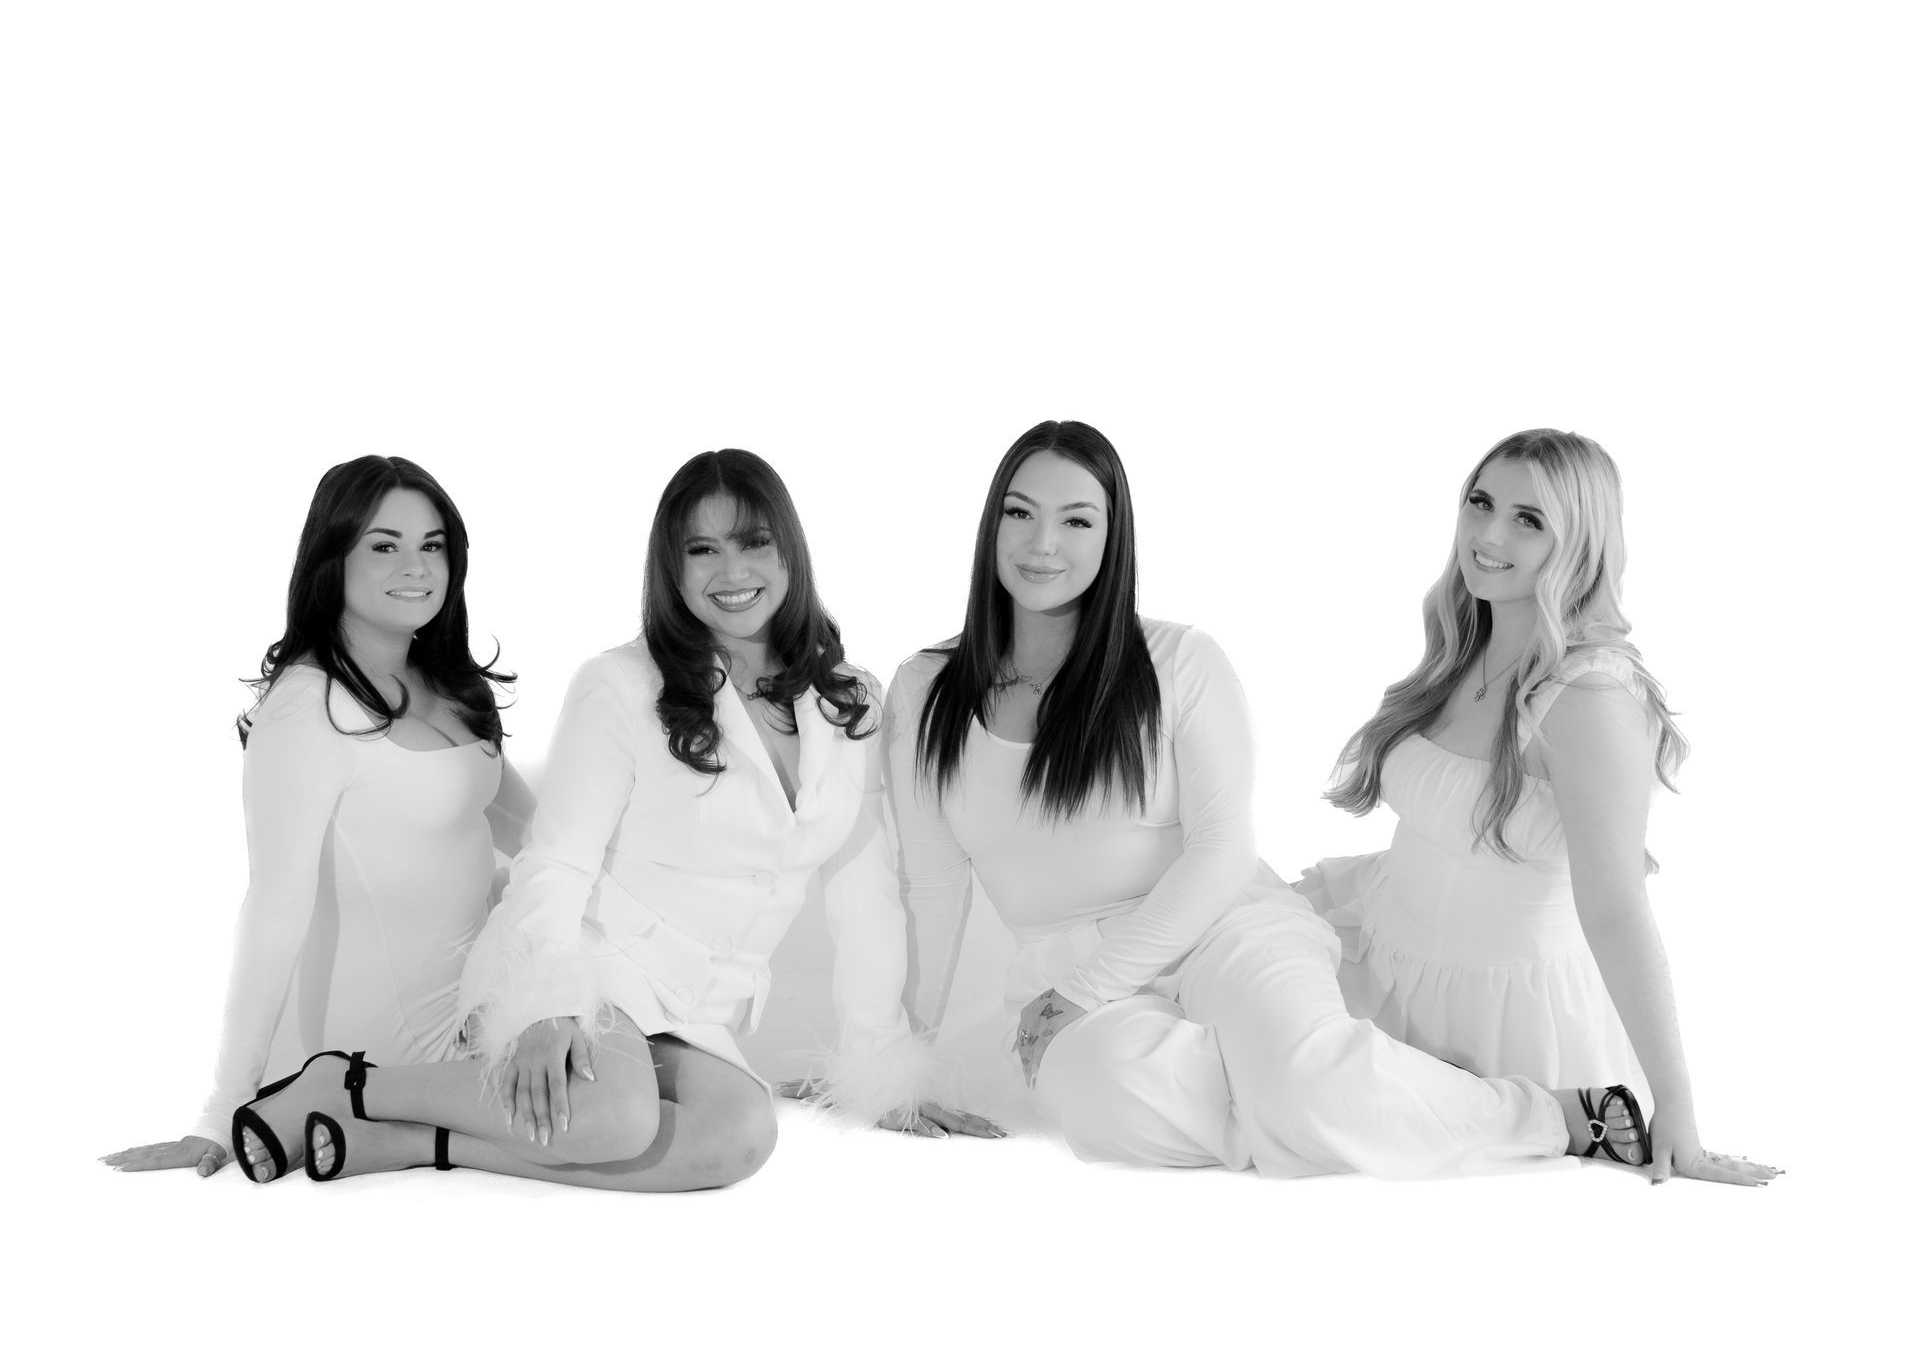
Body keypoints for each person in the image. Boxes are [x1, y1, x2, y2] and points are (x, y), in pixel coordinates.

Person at [886, 419, 1680, 1182]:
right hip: (1062, 956)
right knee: (1107, 1104)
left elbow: (1221, 850)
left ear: (1112, 538)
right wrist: (904, 1066)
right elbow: (930, 886)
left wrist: (1089, 991)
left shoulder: (1179, 661)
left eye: (1076, 520)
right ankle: (1371, 1097)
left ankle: (1546, 1117)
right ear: (990, 524)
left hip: (1224, 920)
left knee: (1306, 1081)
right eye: (1019, 513)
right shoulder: (924, 690)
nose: (1042, 544)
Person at [224, 448, 987, 1192]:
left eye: (754, 542)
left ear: (790, 551)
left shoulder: (850, 700)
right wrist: (546, 1003)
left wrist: (882, 1066)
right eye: (702, 549)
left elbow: (864, 888)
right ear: (671, 565)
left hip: (692, 1004)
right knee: (620, 1117)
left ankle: (394, 1142)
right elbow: (554, 860)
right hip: (590, 959)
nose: (732, 572)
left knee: (741, 1137)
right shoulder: (621, 684)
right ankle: (349, 1085)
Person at [1303, 427, 1777, 1185]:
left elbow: (1617, 908)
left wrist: (1677, 1109)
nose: (1487, 535)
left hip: (1493, 1019)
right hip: (1379, 953)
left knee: (1298, 1113)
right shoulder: (1466, 642)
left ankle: (1559, 1114)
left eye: (1530, 520)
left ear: (1581, 543)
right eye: (1480, 502)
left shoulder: (1588, 696)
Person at [102, 455, 532, 1180]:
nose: (416, 566)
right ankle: (355, 1120)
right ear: (333, 558)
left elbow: (541, 834)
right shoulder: (308, 708)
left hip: (473, 1022)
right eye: (384, 545)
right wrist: (218, 1109)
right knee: (608, 1123)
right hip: (364, 1058)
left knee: (643, 1095)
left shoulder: (449, 686)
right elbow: (273, 907)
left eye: (433, 546)